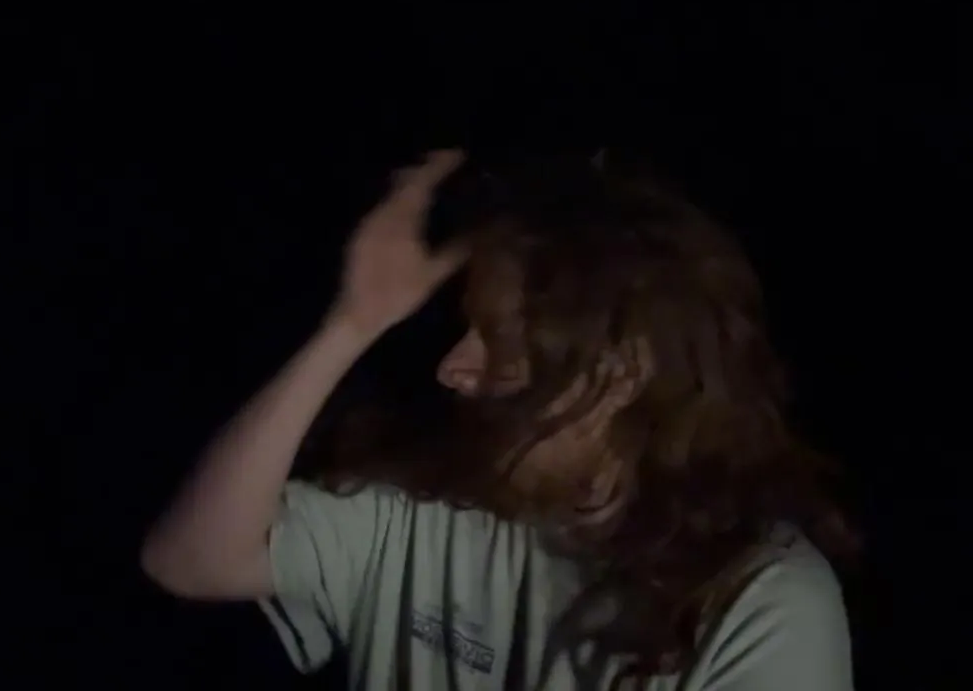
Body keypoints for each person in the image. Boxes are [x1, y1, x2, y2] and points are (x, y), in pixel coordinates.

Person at [140, 149, 857, 690]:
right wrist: (348, 328)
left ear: (620, 372)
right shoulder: (427, 504)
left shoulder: (759, 603)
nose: (453, 367)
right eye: (464, 330)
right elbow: (191, 561)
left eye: (500, 341)